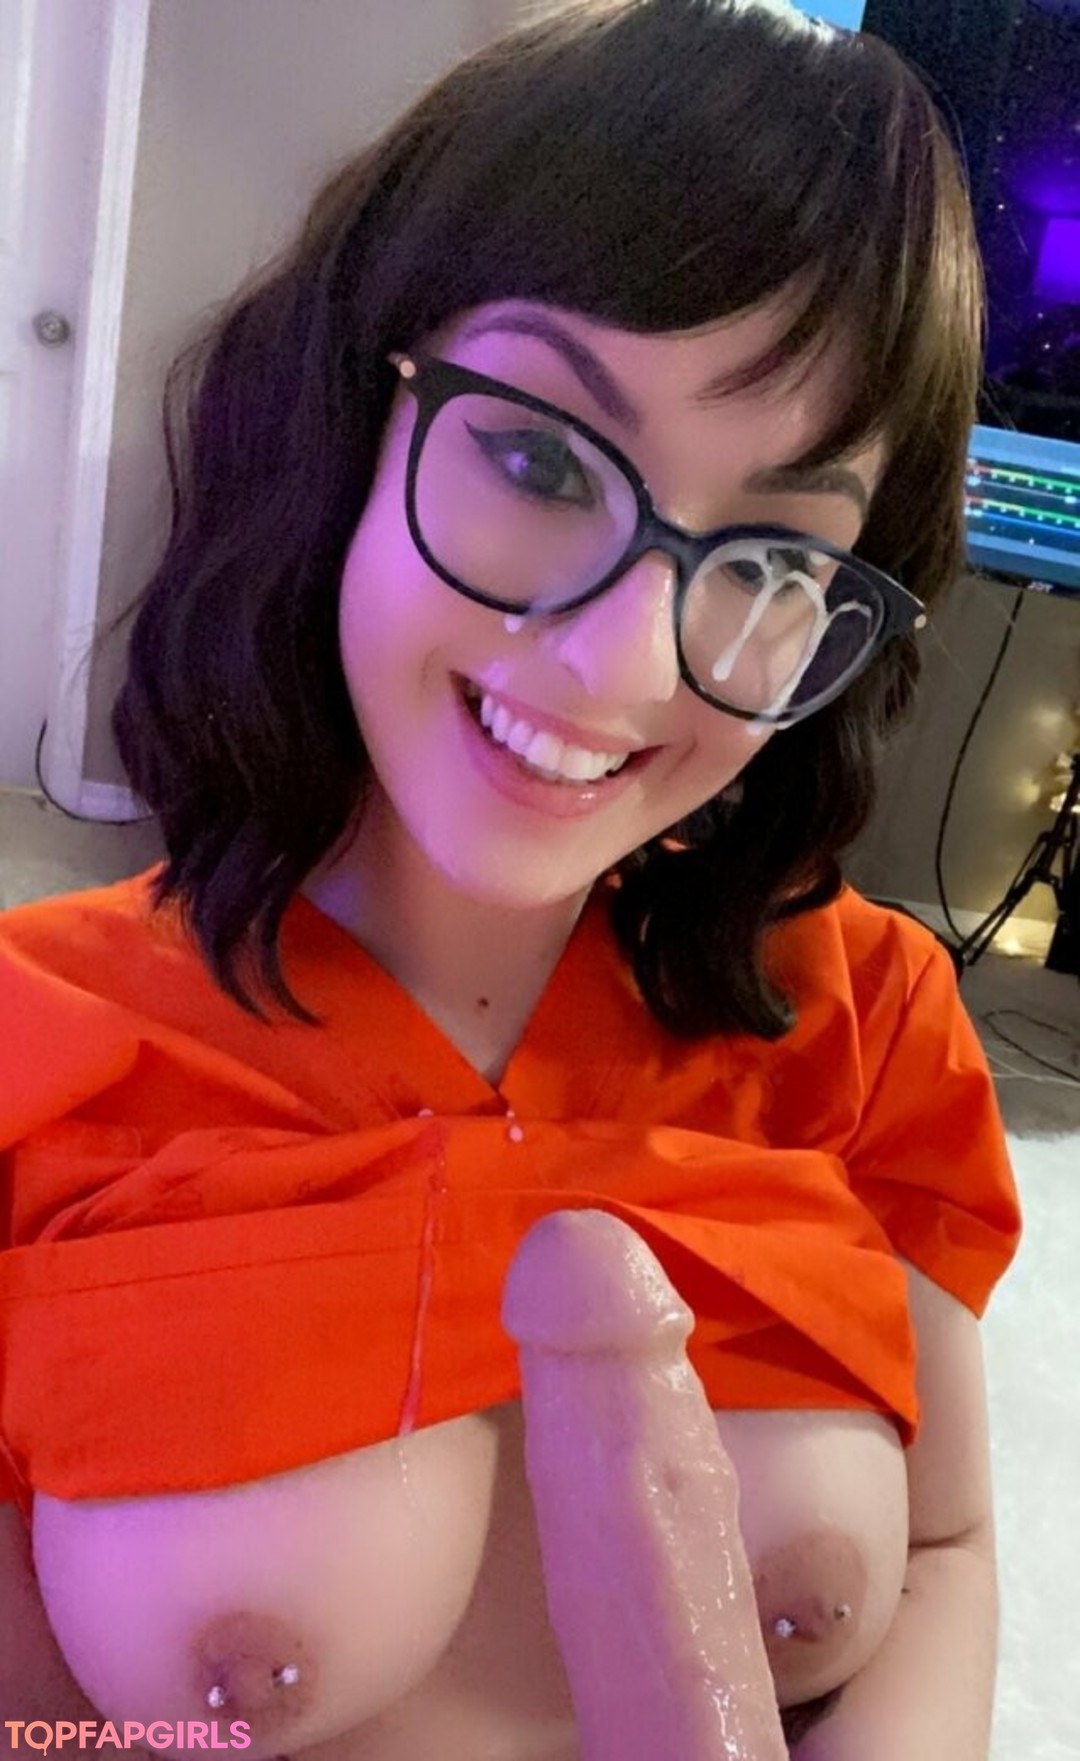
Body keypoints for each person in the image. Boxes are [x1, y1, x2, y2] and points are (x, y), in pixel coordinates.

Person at [0, 0, 1021, 1756]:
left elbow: (946, 1546)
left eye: (770, 559)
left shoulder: (870, 1021)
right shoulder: (39, 1034)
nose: (625, 661)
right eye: (542, 457)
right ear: (351, 419)